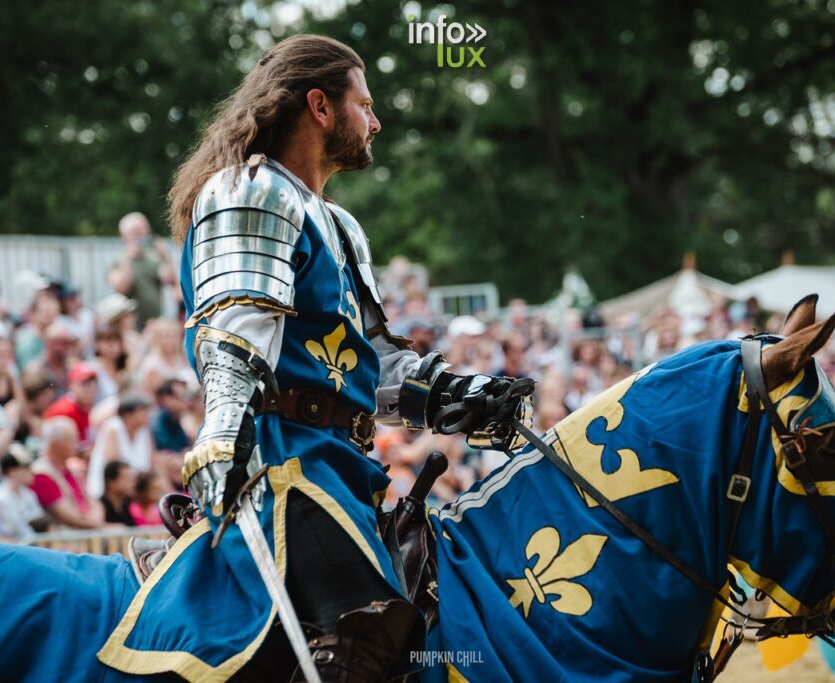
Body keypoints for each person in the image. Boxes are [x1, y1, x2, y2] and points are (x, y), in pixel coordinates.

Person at [96, 34, 534, 681]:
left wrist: (458, 397)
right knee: (375, 639)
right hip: (283, 469)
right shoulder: (250, 190)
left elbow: (373, 365)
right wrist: (220, 445)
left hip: (345, 470)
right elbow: (232, 339)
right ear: (320, 106)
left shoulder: (339, 224)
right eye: (366, 104)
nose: (377, 121)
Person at [29, 416, 105, 529]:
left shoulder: (73, 469)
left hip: (89, 530)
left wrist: (96, 518)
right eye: (71, 441)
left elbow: (92, 499)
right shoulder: (41, 474)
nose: (76, 446)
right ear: (54, 445)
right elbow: (65, 514)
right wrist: (93, 522)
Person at [107, 212, 177, 328]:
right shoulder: (118, 261)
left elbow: (171, 280)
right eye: (136, 232)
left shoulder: (153, 258)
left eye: (144, 230)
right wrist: (129, 259)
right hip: (130, 328)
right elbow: (121, 288)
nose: (143, 235)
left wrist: (165, 256)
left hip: (154, 325)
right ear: (124, 235)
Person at [86, 393, 156, 499]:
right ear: (127, 414)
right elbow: (114, 467)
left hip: (137, 489)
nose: (147, 415)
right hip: (109, 492)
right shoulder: (112, 429)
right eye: (142, 411)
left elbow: (152, 463)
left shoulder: (144, 431)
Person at [0, 448, 50, 541]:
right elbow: (8, 532)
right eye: (25, 468)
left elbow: (39, 521)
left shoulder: (29, 494)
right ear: (11, 472)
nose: (31, 471)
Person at [42, 362, 99, 446]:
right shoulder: (64, 411)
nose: (91, 388)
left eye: (93, 383)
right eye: (85, 384)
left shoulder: (87, 407)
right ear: (71, 385)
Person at [100, 460, 136, 526]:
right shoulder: (99, 506)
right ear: (111, 482)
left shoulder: (130, 506)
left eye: (133, 480)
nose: (133, 484)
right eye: (127, 479)